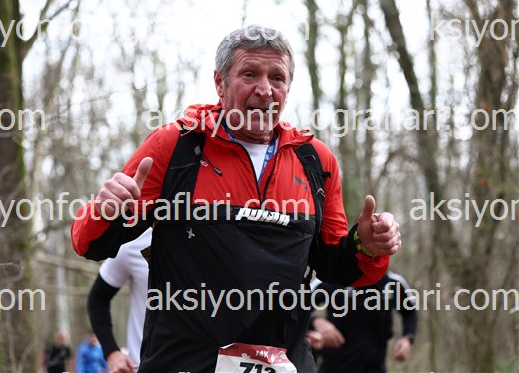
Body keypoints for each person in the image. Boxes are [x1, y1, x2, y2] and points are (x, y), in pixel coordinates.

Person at [71, 25, 402, 372]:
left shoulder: (315, 161)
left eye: (277, 77)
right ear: (220, 82)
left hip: (284, 361)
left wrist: (367, 245)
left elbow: (337, 266)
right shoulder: (175, 147)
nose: (265, 89)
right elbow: (89, 243)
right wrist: (106, 210)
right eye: (249, 74)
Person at [308, 272, 418, 373]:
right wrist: (316, 322)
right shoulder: (329, 279)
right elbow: (298, 310)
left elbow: (410, 313)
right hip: (333, 366)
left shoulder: (392, 282)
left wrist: (407, 338)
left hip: (375, 367)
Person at [87, 228, 151, 373]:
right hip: (142, 365)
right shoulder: (136, 240)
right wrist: (111, 352)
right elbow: (98, 298)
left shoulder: (203, 236)